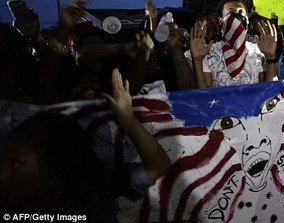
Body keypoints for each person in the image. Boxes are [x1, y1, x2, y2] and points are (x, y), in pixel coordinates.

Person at [0, 68, 171, 219]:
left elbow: (158, 166)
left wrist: (128, 121)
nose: (2, 173)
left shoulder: (95, 185)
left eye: (15, 164)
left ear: (56, 166)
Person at [189, 0, 278, 88]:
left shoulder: (258, 51)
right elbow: (204, 95)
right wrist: (197, 60)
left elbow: (268, 90)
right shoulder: (209, 52)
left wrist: (270, 56)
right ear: (221, 20)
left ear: (247, 18)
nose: (237, 16)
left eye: (241, 12)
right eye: (231, 12)